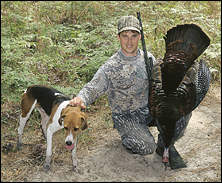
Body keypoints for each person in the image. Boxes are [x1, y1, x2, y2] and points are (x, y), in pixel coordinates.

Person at [69, 15, 157, 155]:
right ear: (118, 37)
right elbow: (92, 88)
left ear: (139, 37)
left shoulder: (149, 58)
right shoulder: (111, 66)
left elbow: (160, 83)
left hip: (148, 109)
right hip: (125, 116)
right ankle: (128, 137)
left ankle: (165, 142)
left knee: (181, 115)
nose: (129, 41)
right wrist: (80, 98)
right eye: (125, 36)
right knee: (147, 147)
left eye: (133, 36)